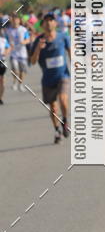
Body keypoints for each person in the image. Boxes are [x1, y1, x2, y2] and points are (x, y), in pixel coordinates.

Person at [30, 12, 71, 143]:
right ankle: (57, 129)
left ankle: (65, 121)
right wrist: (38, 49)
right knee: (53, 107)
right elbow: (32, 61)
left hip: (62, 75)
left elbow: (71, 52)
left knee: (63, 99)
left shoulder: (63, 37)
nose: (48, 23)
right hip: (48, 79)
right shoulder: (39, 40)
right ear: (42, 25)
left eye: (51, 20)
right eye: (46, 21)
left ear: (55, 23)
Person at [6, 13, 30, 91]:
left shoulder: (23, 29)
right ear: (11, 21)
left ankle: (20, 84)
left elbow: (28, 40)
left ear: (19, 21)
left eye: (16, 20)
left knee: (22, 71)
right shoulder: (8, 30)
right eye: (13, 20)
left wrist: (24, 42)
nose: (15, 21)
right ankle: (14, 83)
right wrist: (8, 47)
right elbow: (6, 41)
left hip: (22, 53)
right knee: (15, 70)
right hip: (13, 54)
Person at [0, 26, 9, 104]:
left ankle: (0, 97)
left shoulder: (3, 40)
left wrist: (4, 53)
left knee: (2, 81)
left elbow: (8, 48)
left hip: (2, 62)